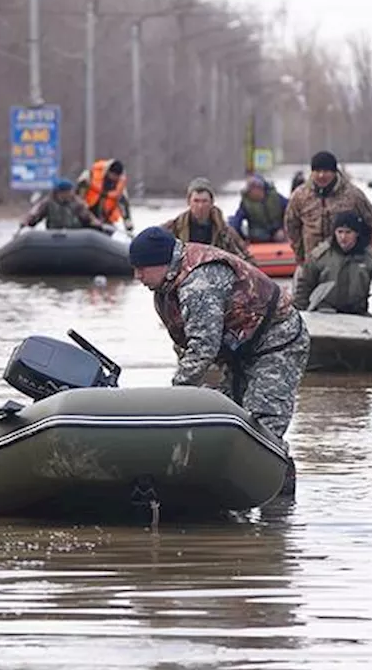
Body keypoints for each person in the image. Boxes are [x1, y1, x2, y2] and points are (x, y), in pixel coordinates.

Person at [130, 227, 308, 492]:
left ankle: (277, 507)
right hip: (241, 350)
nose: (137, 276)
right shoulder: (167, 288)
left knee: (263, 424)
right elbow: (185, 344)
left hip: (277, 342)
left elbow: (203, 347)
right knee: (230, 417)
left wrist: (176, 394)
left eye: (142, 269)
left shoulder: (198, 283)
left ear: (161, 263)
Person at [294, 211, 372, 323]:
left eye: (348, 232)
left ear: (357, 234)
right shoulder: (320, 256)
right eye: (340, 232)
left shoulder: (371, 258)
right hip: (323, 313)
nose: (343, 237)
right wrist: (297, 315)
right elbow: (304, 287)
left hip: (357, 315)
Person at [283, 150, 372, 264]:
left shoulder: (353, 195)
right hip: (312, 262)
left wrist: (360, 250)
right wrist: (300, 254)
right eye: (317, 171)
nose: (321, 175)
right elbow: (291, 225)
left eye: (326, 171)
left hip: (344, 263)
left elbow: (371, 222)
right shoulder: (300, 196)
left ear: (334, 172)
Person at [161, 177, 255, 262]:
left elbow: (247, 259)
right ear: (188, 202)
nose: (200, 206)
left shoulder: (225, 232)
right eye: (196, 201)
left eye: (204, 201)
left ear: (212, 202)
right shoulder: (174, 228)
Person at [19, 178, 112, 233]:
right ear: (59, 193)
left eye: (70, 192)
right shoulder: (48, 203)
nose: (68, 195)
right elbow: (35, 215)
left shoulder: (77, 203)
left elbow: (88, 217)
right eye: (66, 192)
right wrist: (26, 221)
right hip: (53, 235)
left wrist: (96, 223)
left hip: (75, 236)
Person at [77, 158, 135, 234]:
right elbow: (78, 197)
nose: (114, 178)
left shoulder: (120, 188)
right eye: (113, 175)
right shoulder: (90, 176)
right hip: (86, 215)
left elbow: (123, 205)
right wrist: (86, 215)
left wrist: (128, 223)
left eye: (116, 176)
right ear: (108, 171)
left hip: (106, 219)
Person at [229, 174, 290, 243]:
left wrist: (284, 229)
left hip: (279, 235)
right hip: (258, 238)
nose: (254, 191)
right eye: (251, 188)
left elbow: (290, 212)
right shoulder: (246, 204)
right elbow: (237, 221)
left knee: (280, 236)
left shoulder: (276, 198)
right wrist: (241, 238)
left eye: (256, 188)